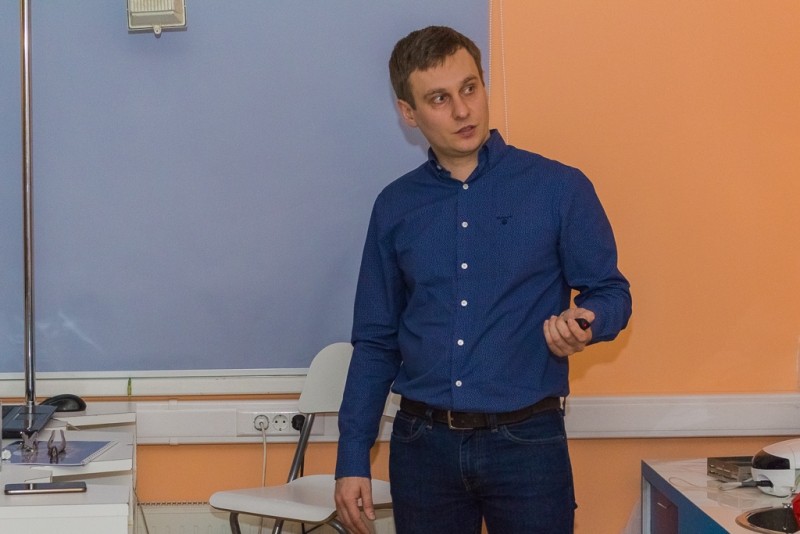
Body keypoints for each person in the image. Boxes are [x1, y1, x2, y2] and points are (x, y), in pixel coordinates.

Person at [334, 26, 631, 534]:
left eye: (470, 88)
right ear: (409, 112)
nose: (462, 110)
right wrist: (352, 457)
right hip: (422, 448)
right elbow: (376, 341)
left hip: (527, 443)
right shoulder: (395, 207)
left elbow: (610, 292)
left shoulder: (558, 188)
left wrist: (587, 321)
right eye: (439, 99)